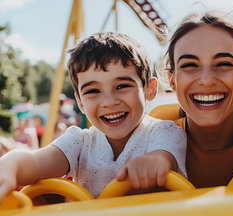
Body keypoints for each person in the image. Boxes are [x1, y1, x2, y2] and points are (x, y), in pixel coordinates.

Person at [0, 32, 186, 200]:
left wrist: (154, 162)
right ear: (80, 101)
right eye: (93, 91)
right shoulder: (79, 142)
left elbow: (163, 157)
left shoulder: (164, 131)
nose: (109, 101)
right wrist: (11, 164)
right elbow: (37, 161)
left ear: (150, 89)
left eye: (122, 86)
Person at [143, 10, 233, 188]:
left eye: (224, 64)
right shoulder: (147, 143)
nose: (207, 81)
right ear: (172, 79)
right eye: (189, 65)